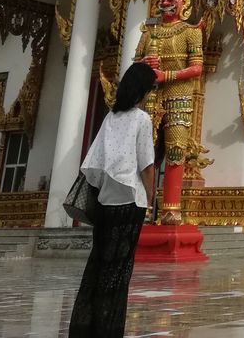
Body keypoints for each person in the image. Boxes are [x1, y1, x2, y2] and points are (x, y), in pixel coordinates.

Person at [68, 61, 157, 338]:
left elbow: (94, 163)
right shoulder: (142, 119)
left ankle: (86, 327)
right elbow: (147, 166)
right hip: (130, 204)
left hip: (106, 204)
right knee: (118, 271)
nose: (150, 95)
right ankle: (108, 329)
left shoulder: (110, 117)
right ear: (142, 90)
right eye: (150, 89)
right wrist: (152, 198)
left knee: (98, 266)